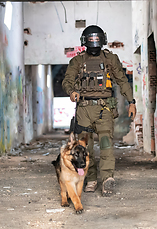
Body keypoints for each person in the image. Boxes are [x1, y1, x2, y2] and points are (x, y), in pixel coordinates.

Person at [62, 25, 136, 197]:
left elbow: (122, 81)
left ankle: (107, 178)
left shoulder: (110, 59)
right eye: (91, 39)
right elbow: (67, 81)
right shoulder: (77, 61)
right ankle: (92, 178)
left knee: (106, 145)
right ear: (85, 41)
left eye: (97, 39)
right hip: (84, 110)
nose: (94, 42)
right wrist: (72, 92)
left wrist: (131, 101)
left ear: (102, 40)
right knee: (85, 147)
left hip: (104, 109)